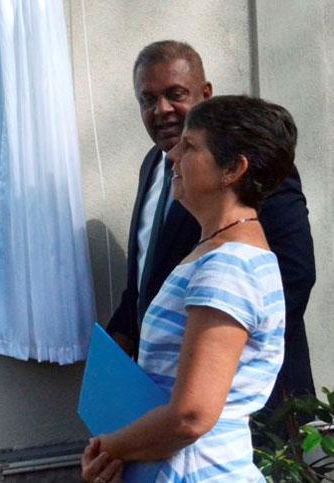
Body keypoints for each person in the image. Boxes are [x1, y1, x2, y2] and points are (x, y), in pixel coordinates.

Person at [82, 94, 298, 481]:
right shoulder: (216, 252)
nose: (172, 156)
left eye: (190, 146)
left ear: (233, 169)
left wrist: (109, 447)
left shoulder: (228, 266)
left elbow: (191, 415)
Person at [106, 40, 316, 411]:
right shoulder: (152, 167)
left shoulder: (251, 168)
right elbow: (143, 283)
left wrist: (214, 360)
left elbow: (293, 275)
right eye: (148, 100)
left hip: (247, 405)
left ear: (206, 95)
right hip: (163, 402)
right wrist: (115, 359)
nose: (163, 110)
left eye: (176, 95)